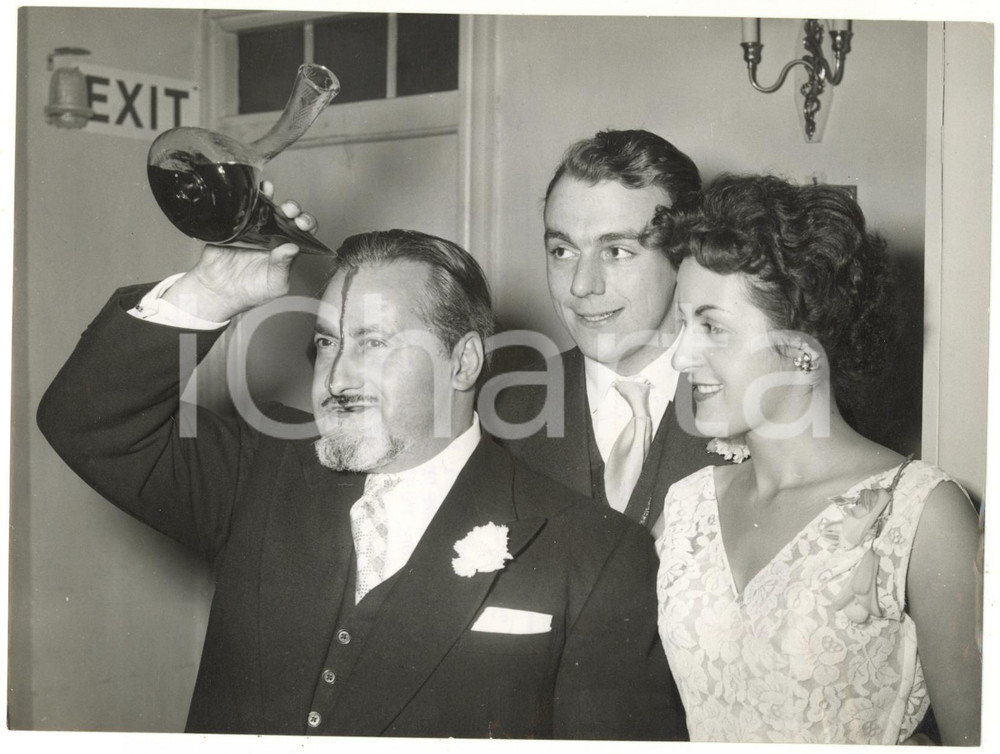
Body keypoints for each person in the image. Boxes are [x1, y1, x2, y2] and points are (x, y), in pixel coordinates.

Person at [36, 204, 685, 739]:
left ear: (462, 363)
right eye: (327, 342)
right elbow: (88, 422)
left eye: (373, 342)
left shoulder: (592, 554)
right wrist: (210, 293)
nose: (338, 377)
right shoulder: (256, 476)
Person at [653, 174, 981, 744]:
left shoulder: (924, 514)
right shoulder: (686, 509)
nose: (681, 356)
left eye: (712, 327)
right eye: (683, 325)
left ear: (804, 349)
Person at [491, 129, 723, 532]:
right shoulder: (502, 413)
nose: (581, 285)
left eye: (616, 251)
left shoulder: (756, 402)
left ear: (684, 255)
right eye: (562, 251)